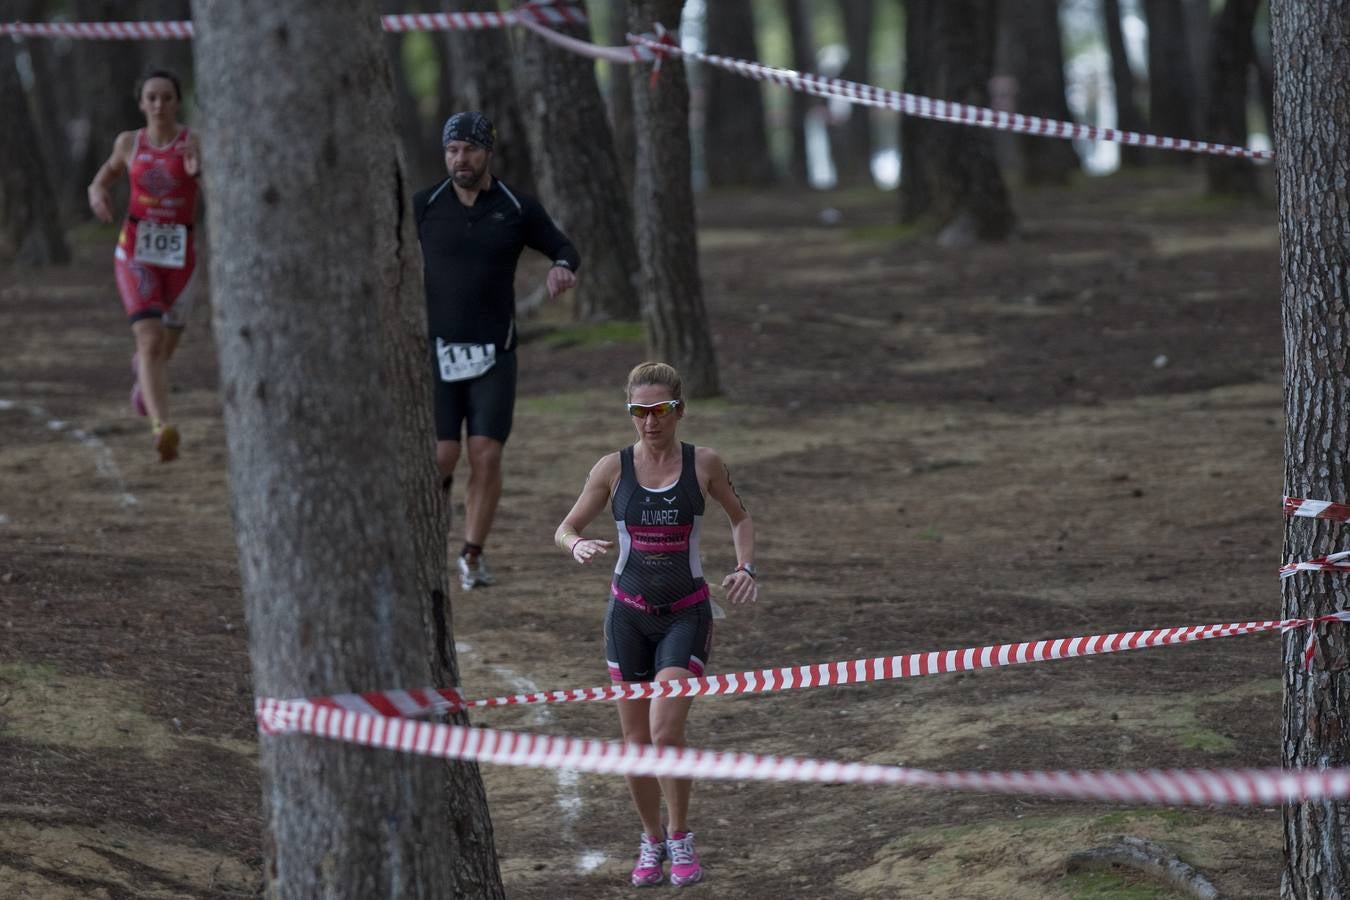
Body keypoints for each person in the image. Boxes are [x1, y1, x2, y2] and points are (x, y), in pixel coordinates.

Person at [554, 361, 758, 888]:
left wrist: (744, 567)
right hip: (627, 616)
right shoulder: (612, 468)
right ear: (631, 414)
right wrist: (577, 543)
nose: (650, 421)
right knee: (636, 741)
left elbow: (740, 516)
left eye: (659, 410)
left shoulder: (704, 463)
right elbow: (566, 526)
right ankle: (650, 840)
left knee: (666, 732)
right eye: (639, 411)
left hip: (687, 614)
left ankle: (681, 835)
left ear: (678, 411)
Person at [414, 111, 579, 591]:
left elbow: (564, 247)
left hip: (494, 351)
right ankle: (426, 539)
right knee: (442, 455)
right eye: (451, 150)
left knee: (485, 453)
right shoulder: (425, 204)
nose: (459, 159)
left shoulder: (515, 207)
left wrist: (561, 269)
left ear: (487, 151)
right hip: (438, 350)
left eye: (468, 149)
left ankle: (472, 554)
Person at [87, 68, 201, 463]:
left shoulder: (194, 143)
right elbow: (105, 177)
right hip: (136, 251)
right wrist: (98, 193)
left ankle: (142, 383)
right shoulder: (129, 142)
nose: (159, 105)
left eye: (167, 97)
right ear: (141, 103)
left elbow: (221, 188)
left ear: (177, 102)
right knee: (150, 339)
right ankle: (162, 428)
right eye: (151, 97)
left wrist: (199, 173)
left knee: (164, 349)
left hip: (181, 256)